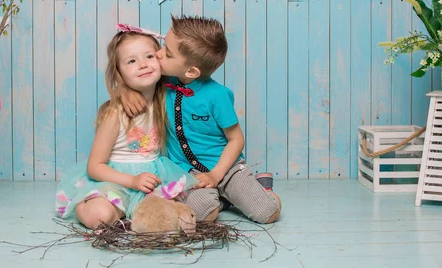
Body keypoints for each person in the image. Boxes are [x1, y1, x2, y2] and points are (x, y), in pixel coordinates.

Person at [121, 16, 281, 224]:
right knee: (204, 214)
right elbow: (129, 76)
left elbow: (236, 140)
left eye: (167, 53)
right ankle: (225, 200)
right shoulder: (160, 81)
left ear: (191, 71)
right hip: (187, 170)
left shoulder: (218, 95)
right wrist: (124, 92)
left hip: (225, 167)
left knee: (267, 213)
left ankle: (257, 188)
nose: (158, 55)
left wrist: (216, 175)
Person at [55, 25, 198, 229]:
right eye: (131, 61)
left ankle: (137, 210)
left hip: (154, 175)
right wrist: (131, 181)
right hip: (117, 180)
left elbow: (187, 71)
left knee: (180, 215)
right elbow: (94, 167)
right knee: (100, 216)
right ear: (119, 73)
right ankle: (83, 204)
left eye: (149, 56)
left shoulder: (166, 98)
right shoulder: (116, 113)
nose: (143, 64)